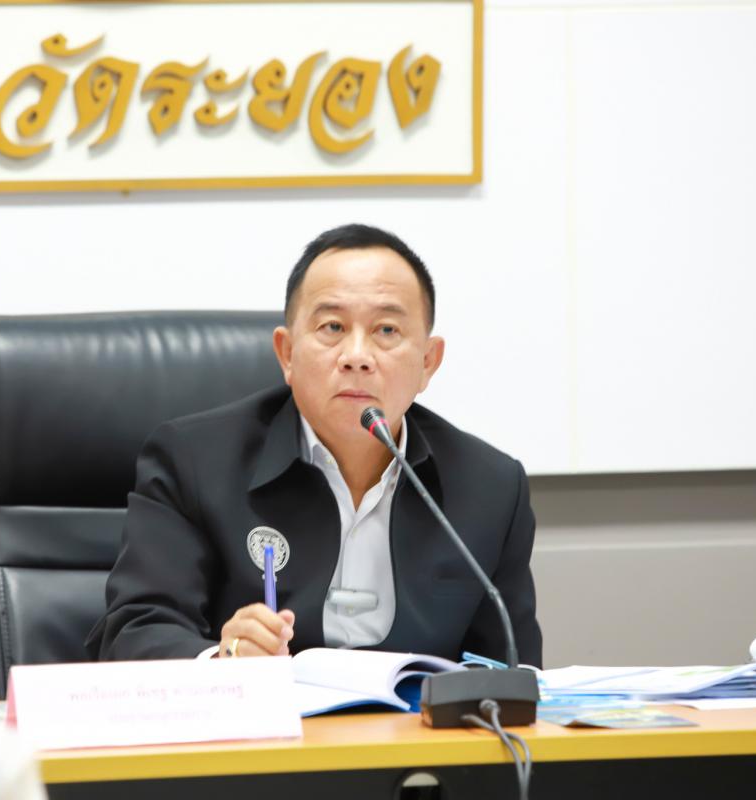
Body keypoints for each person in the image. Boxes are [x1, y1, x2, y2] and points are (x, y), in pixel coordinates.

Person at [86, 224, 542, 666]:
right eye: (332, 327)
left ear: (428, 362)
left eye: (387, 330)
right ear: (287, 353)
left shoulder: (490, 489)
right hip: (262, 718)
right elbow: (134, 631)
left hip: (414, 720)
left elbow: (511, 670)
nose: (357, 357)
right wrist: (224, 660)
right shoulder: (194, 461)